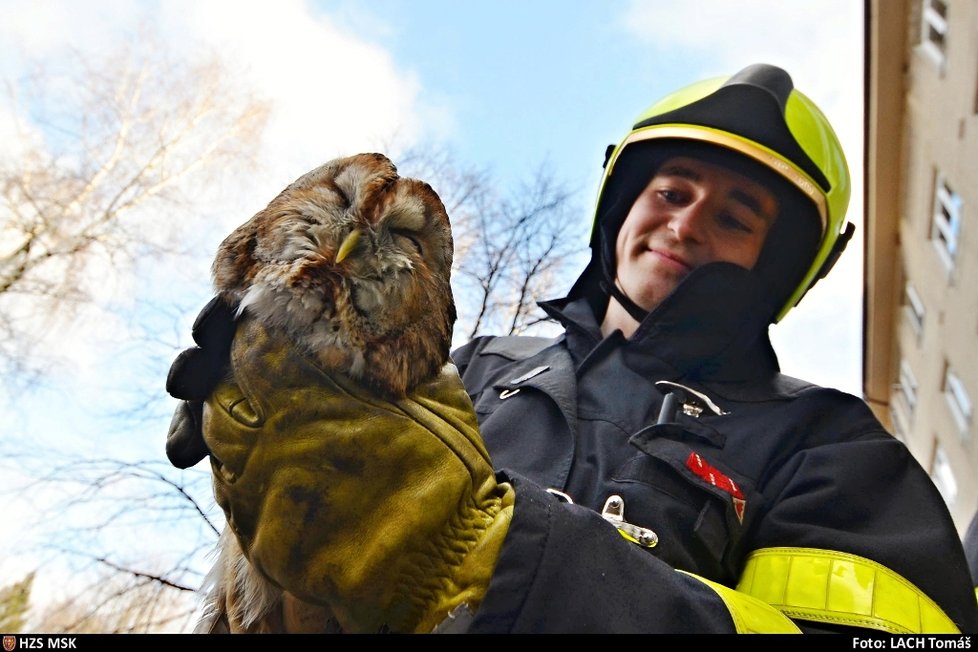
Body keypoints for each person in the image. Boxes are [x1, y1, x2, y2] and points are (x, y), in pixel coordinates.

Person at [165, 63, 978, 634]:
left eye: (735, 216)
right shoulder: (476, 365)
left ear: (780, 264)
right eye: (670, 191)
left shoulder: (832, 446)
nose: (686, 224)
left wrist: (478, 565)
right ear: (620, 205)